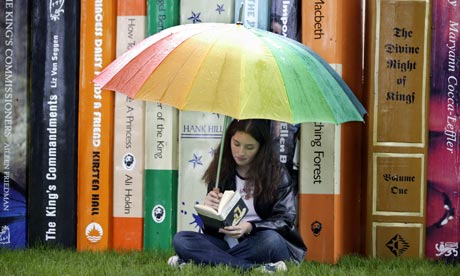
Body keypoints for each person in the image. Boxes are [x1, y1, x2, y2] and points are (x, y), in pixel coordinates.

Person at [168, 119, 307, 272]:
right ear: (229, 141)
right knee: (181, 239)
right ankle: (252, 269)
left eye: (249, 147)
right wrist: (209, 211)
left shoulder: (276, 173)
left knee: (271, 240)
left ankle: (201, 260)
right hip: (228, 243)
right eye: (236, 144)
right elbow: (211, 232)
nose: (241, 153)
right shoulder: (222, 171)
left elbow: (285, 219)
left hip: (260, 243)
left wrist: (250, 227)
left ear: (261, 148)